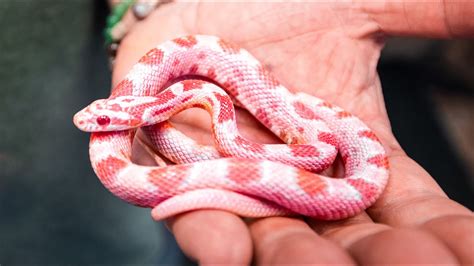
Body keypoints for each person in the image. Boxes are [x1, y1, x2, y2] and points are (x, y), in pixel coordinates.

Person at [111, 1, 474, 264]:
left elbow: (312, 149)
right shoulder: (161, 110)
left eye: (105, 121)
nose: (94, 127)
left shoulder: (192, 111)